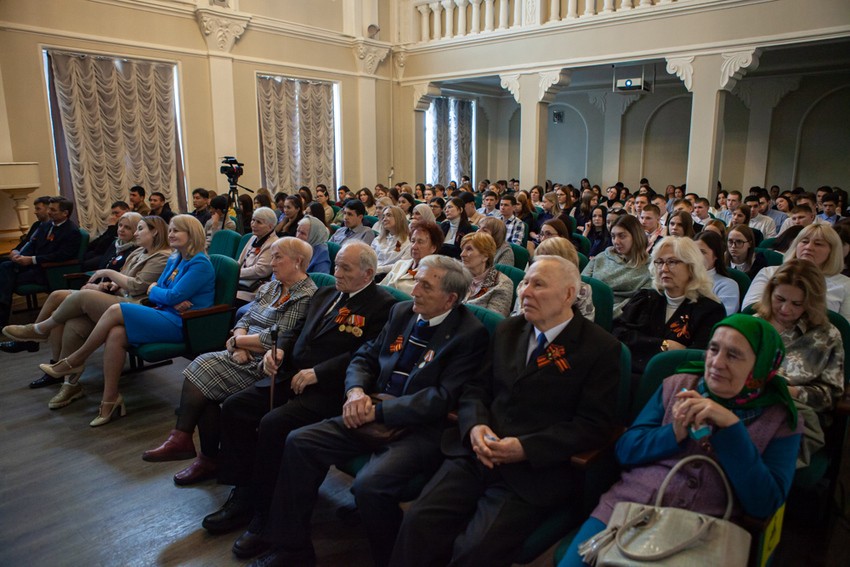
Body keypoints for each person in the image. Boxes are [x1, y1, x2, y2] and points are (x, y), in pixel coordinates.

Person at [250, 255, 489, 567]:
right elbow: (364, 357)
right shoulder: (402, 312)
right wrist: (356, 391)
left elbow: (440, 398)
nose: (413, 290)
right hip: (368, 408)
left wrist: (376, 412)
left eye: (425, 286)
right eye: (416, 281)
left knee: (370, 485)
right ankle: (291, 549)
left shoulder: (469, 334)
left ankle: (389, 558)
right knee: (299, 441)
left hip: (418, 430)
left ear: (450, 299)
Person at [391, 256, 621, 566]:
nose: (525, 291)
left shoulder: (599, 347)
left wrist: (525, 448)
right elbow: (476, 390)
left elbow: (594, 425)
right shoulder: (509, 330)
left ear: (569, 294)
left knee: (475, 550)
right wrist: (475, 426)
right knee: (418, 522)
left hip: (532, 472)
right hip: (477, 453)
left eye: (538, 284)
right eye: (525, 282)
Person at [198, 243, 396, 558]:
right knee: (236, 407)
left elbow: (367, 354)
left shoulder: (383, 305)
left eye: (345, 268)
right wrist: (279, 351)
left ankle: (265, 515)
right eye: (337, 265)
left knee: (274, 425)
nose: (336, 273)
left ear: (368, 273)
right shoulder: (325, 294)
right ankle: (245, 492)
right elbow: (296, 332)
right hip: (293, 375)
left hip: (330, 389)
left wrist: (320, 372)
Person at [559, 315, 803, 567]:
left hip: (706, 531)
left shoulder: (780, 419)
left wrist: (731, 429)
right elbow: (625, 451)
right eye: (713, 349)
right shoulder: (677, 385)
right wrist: (674, 432)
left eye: (733, 355)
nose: (716, 363)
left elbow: (764, 503)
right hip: (628, 509)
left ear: (760, 366)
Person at [141, 238, 317, 485]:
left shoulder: (307, 296)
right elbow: (244, 318)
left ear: (298, 261)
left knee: (201, 370)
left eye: (278, 257)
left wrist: (237, 343)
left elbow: (276, 340)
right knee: (204, 392)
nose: (272, 262)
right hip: (241, 354)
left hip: (266, 365)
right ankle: (202, 453)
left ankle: (190, 445)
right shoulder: (271, 287)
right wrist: (239, 340)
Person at [36, 215, 215, 426]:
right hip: (164, 312)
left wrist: (159, 292)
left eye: (177, 231)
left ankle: (74, 361)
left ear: (192, 234)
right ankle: (110, 399)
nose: (171, 234)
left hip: (184, 322)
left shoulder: (200, 263)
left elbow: (166, 293)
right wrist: (163, 293)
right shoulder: (175, 258)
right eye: (171, 230)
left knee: (115, 310)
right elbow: (166, 292)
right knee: (116, 334)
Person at [3, 216, 170, 393]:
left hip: (134, 307)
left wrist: (107, 274)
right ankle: (69, 384)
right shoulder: (138, 252)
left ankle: (40, 330)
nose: (135, 233)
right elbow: (122, 280)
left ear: (155, 232)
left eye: (139, 229)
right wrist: (105, 285)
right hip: (118, 298)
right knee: (71, 320)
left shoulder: (162, 257)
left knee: (81, 297)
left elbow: (136, 286)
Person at [754, 259, 845, 466]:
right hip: (747, 404)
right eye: (780, 299)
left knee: (745, 451)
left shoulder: (827, 336)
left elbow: (831, 396)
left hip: (793, 412)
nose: (785, 309)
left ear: (811, 303)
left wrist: (792, 392)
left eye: (797, 304)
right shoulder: (755, 323)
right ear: (770, 294)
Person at [613, 237, 727, 376]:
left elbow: (695, 359)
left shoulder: (710, 310)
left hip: (673, 383)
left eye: (672, 262)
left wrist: (642, 344)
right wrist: (664, 345)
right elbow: (618, 335)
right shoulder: (646, 298)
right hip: (628, 373)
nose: (664, 269)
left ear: (691, 267)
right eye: (659, 262)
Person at [0, 197, 82, 329]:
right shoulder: (46, 225)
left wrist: (32, 259)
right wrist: (18, 254)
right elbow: (33, 244)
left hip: (46, 271)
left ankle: (2, 320)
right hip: (32, 265)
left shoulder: (71, 231)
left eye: (53, 210)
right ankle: (2, 319)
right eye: (49, 208)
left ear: (65, 213)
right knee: (5, 266)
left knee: (5, 277)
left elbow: (61, 256)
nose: (49, 212)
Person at [743, 223, 850, 320]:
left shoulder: (846, 284)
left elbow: (845, 327)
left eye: (818, 244)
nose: (808, 247)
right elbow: (750, 309)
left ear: (832, 251)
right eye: (804, 241)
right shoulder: (769, 272)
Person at [581, 215, 652, 317]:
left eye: (622, 236)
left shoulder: (650, 267)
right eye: (613, 236)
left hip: (618, 319)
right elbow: (582, 285)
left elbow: (634, 303)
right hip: (586, 311)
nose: (616, 241)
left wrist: (601, 316)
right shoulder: (602, 257)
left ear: (636, 236)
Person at [382, 220, 443, 296]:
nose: (414, 246)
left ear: (433, 248)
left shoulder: (434, 275)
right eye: (413, 241)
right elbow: (381, 287)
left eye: (420, 242)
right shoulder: (400, 264)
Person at [459, 232, 513, 317]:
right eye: (462, 249)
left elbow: (491, 321)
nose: (462, 254)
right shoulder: (456, 275)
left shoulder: (501, 284)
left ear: (485, 256)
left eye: (469, 249)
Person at [235, 207, 279, 303]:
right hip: (240, 281)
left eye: (259, 222)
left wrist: (236, 273)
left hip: (255, 288)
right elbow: (240, 261)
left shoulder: (274, 243)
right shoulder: (253, 237)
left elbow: (261, 270)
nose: (253, 224)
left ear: (270, 227)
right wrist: (233, 271)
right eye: (253, 220)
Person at [694, 230, 739, 316]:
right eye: (694, 252)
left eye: (702, 252)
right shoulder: (683, 279)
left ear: (716, 255)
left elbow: (722, 317)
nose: (696, 256)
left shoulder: (727, 285)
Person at [82, 201, 131, 270]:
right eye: (112, 213)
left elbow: (106, 243)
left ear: (127, 211)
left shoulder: (127, 225)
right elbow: (103, 236)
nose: (114, 216)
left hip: (114, 253)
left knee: (87, 264)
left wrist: (111, 227)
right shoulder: (115, 224)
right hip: (105, 251)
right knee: (85, 255)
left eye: (117, 213)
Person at [372, 205, 411, 276]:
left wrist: (379, 269)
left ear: (400, 218)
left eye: (388, 215)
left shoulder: (408, 242)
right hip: (372, 273)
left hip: (391, 275)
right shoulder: (378, 239)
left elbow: (402, 265)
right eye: (383, 216)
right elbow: (369, 258)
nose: (384, 219)